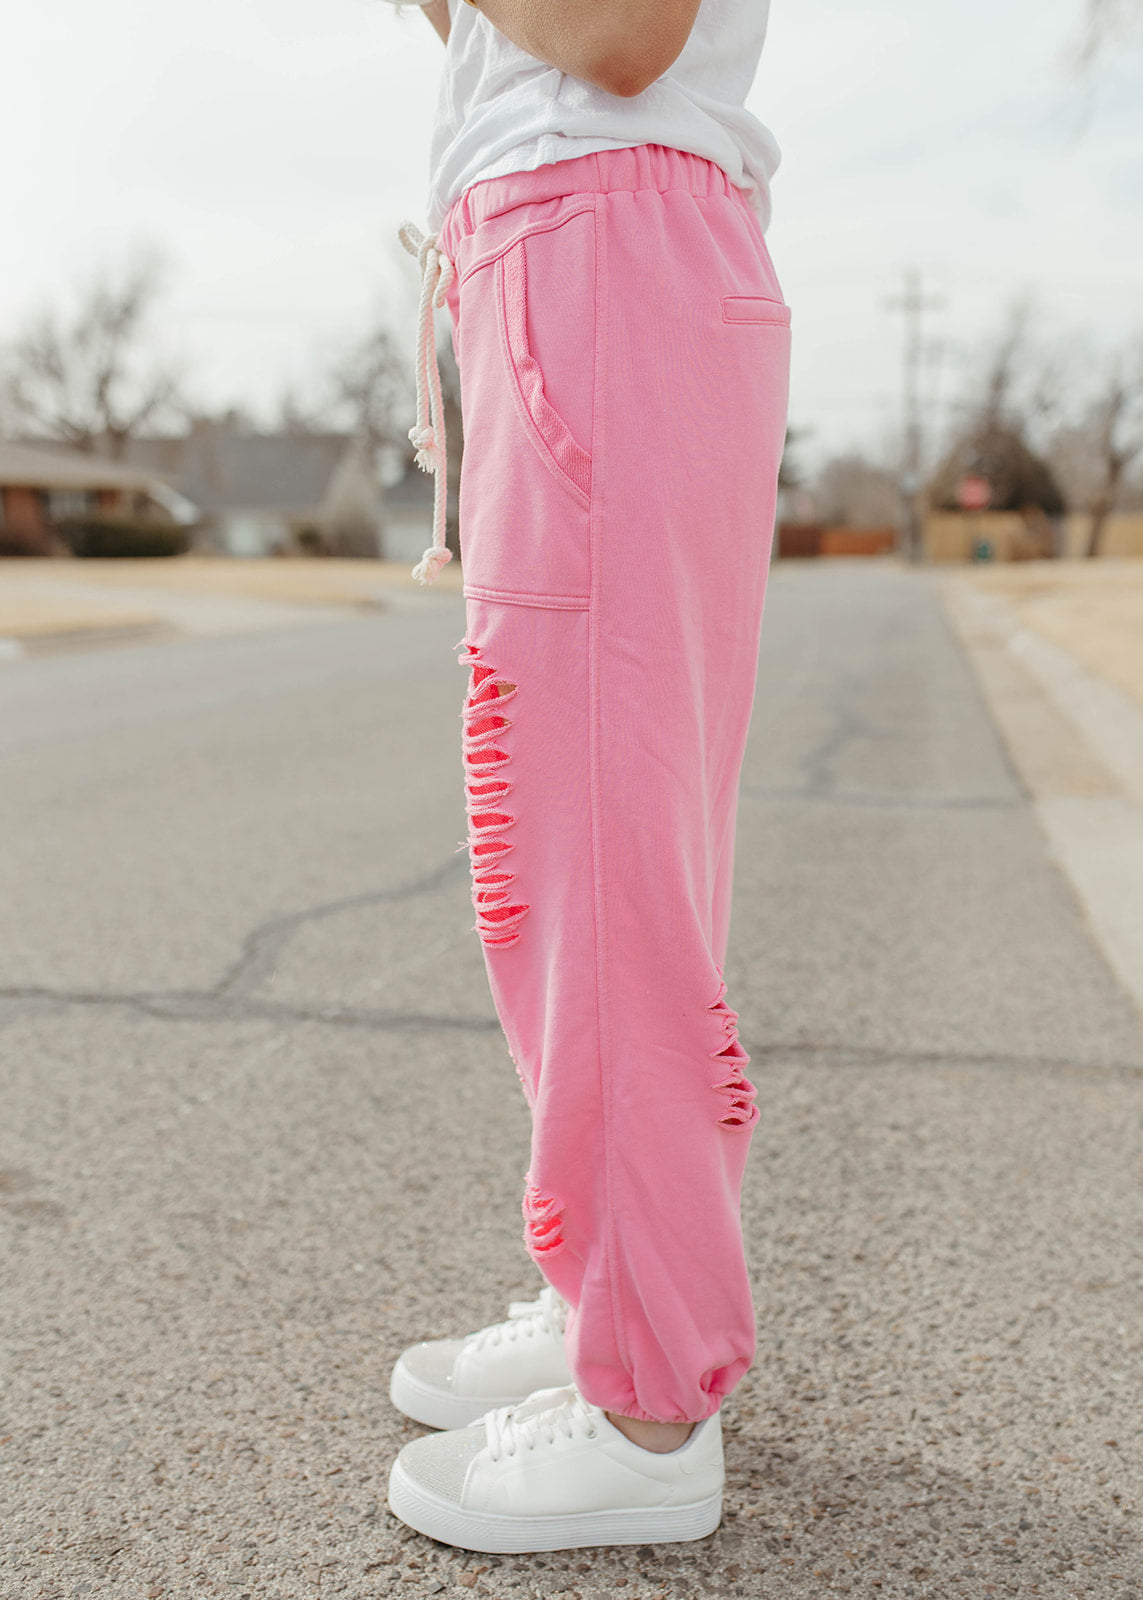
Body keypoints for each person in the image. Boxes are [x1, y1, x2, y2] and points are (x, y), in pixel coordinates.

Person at [382, 0, 791, 1554]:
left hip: (599, 242)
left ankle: (646, 1411)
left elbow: (618, 27)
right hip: (592, 245)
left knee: (597, 855)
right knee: (596, 846)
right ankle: (612, 1297)